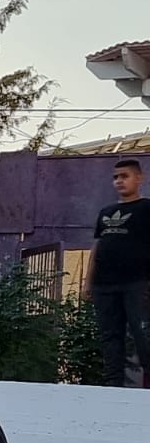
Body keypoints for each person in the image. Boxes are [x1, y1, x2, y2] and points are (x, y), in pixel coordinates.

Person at [83, 158, 150, 388]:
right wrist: (88, 282)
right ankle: (112, 388)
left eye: (124, 176)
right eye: (115, 177)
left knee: (143, 335)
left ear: (139, 179)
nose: (119, 181)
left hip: (137, 283)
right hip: (104, 285)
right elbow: (97, 247)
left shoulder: (146, 208)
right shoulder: (106, 212)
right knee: (110, 337)